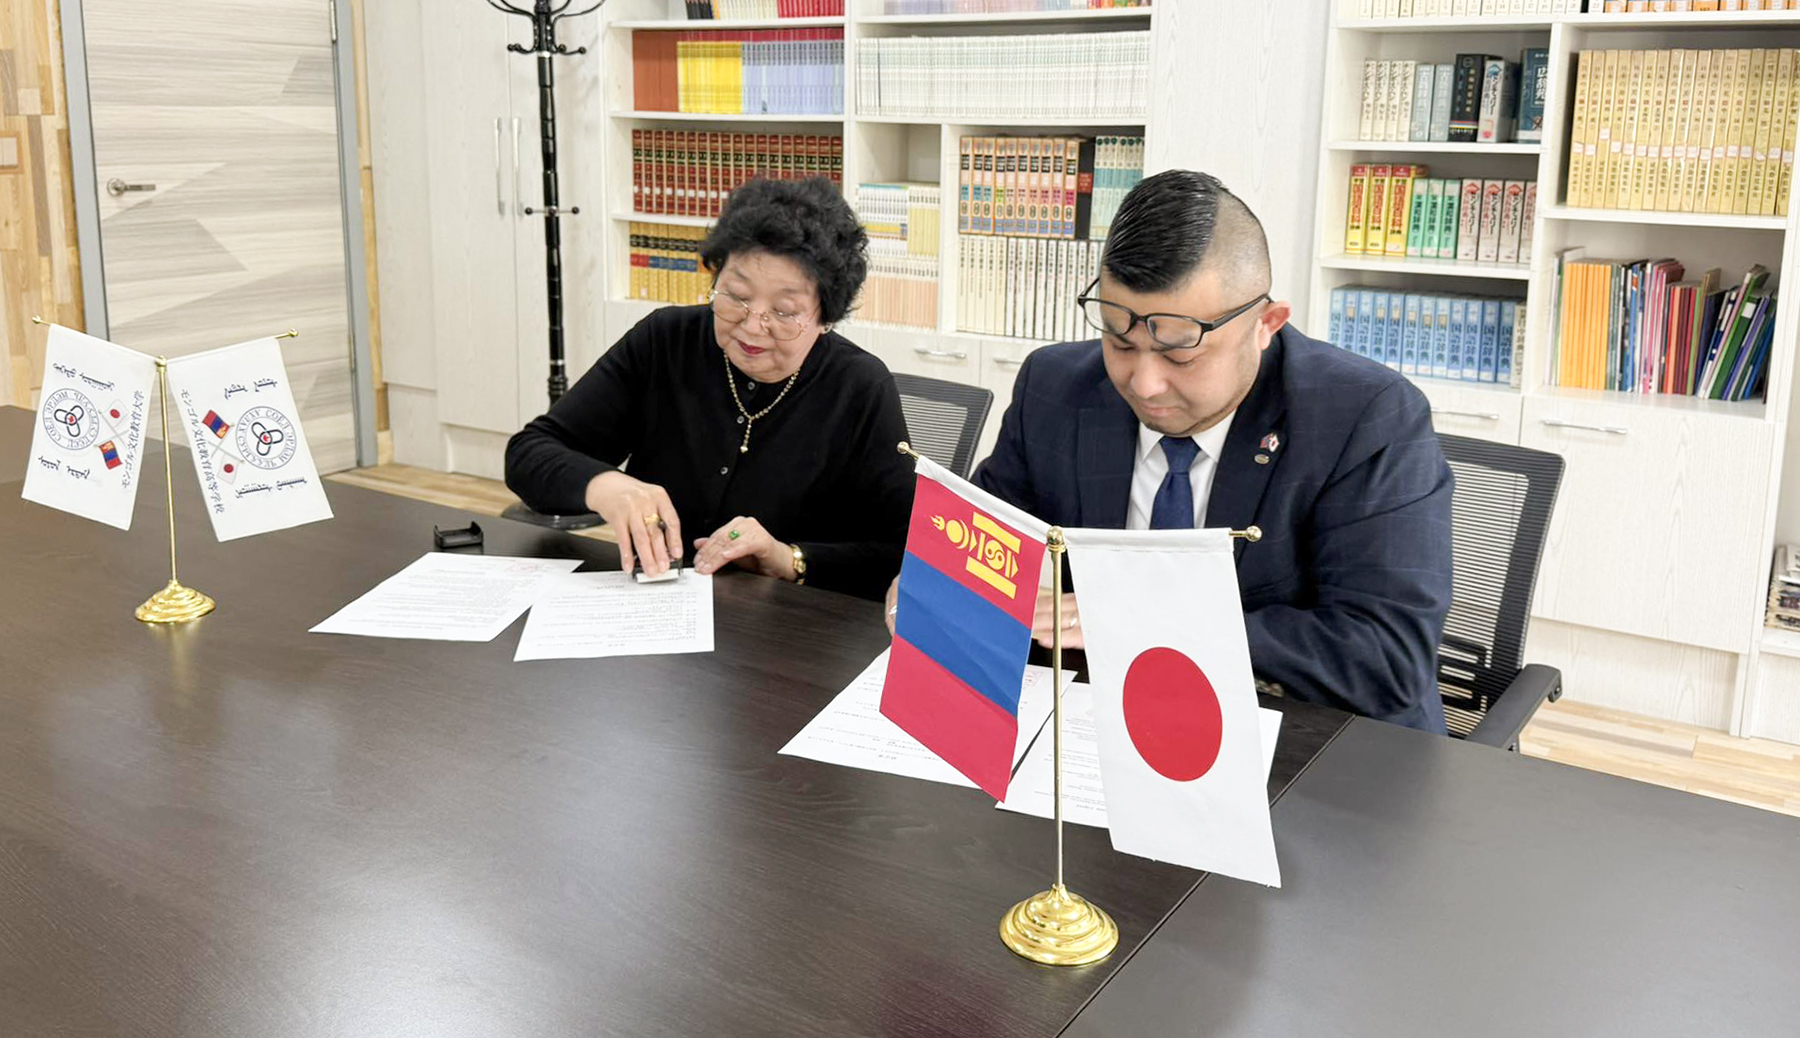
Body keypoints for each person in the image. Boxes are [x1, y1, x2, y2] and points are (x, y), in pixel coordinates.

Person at [893, 169, 1454, 732]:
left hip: (1309, 741)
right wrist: (933, 585)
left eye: (1180, 354)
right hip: (1097, 721)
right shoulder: (1056, 388)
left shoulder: (1364, 417)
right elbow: (985, 548)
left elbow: (1387, 656)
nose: (1144, 383)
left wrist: (1148, 623)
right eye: (1119, 341)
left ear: (1266, 325)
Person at [506, 177, 913, 597]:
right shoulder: (665, 341)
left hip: (791, 621)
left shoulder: (859, 387)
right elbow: (528, 454)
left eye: (784, 311)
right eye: (736, 295)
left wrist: (789, 558)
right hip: (656, 605)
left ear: (826, 318)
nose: (753, 326)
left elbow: (901, 553)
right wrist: (606, 486)